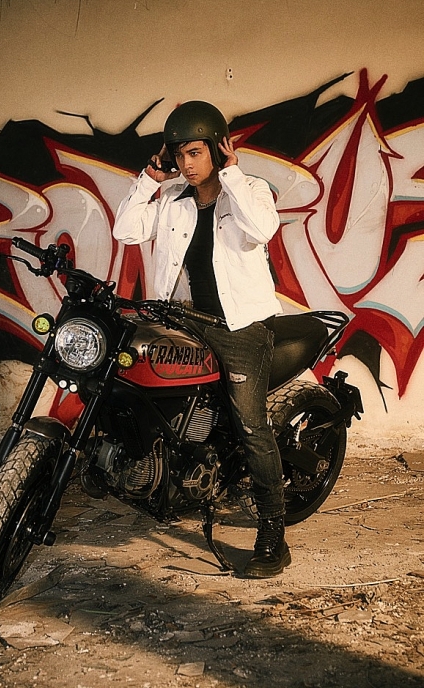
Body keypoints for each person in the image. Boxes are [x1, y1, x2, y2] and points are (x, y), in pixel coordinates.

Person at [113, 100, 290, 577]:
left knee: (251, 425)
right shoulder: (172, 198)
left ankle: (273, 533)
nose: (187, 164)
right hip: (182, 320)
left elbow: (263, 229)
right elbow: (125, 230)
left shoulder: (249, 190)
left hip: (240, 325)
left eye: (195, 152)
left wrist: (231, 174)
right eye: (179, 155)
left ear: (216, 148)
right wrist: (150, 179)